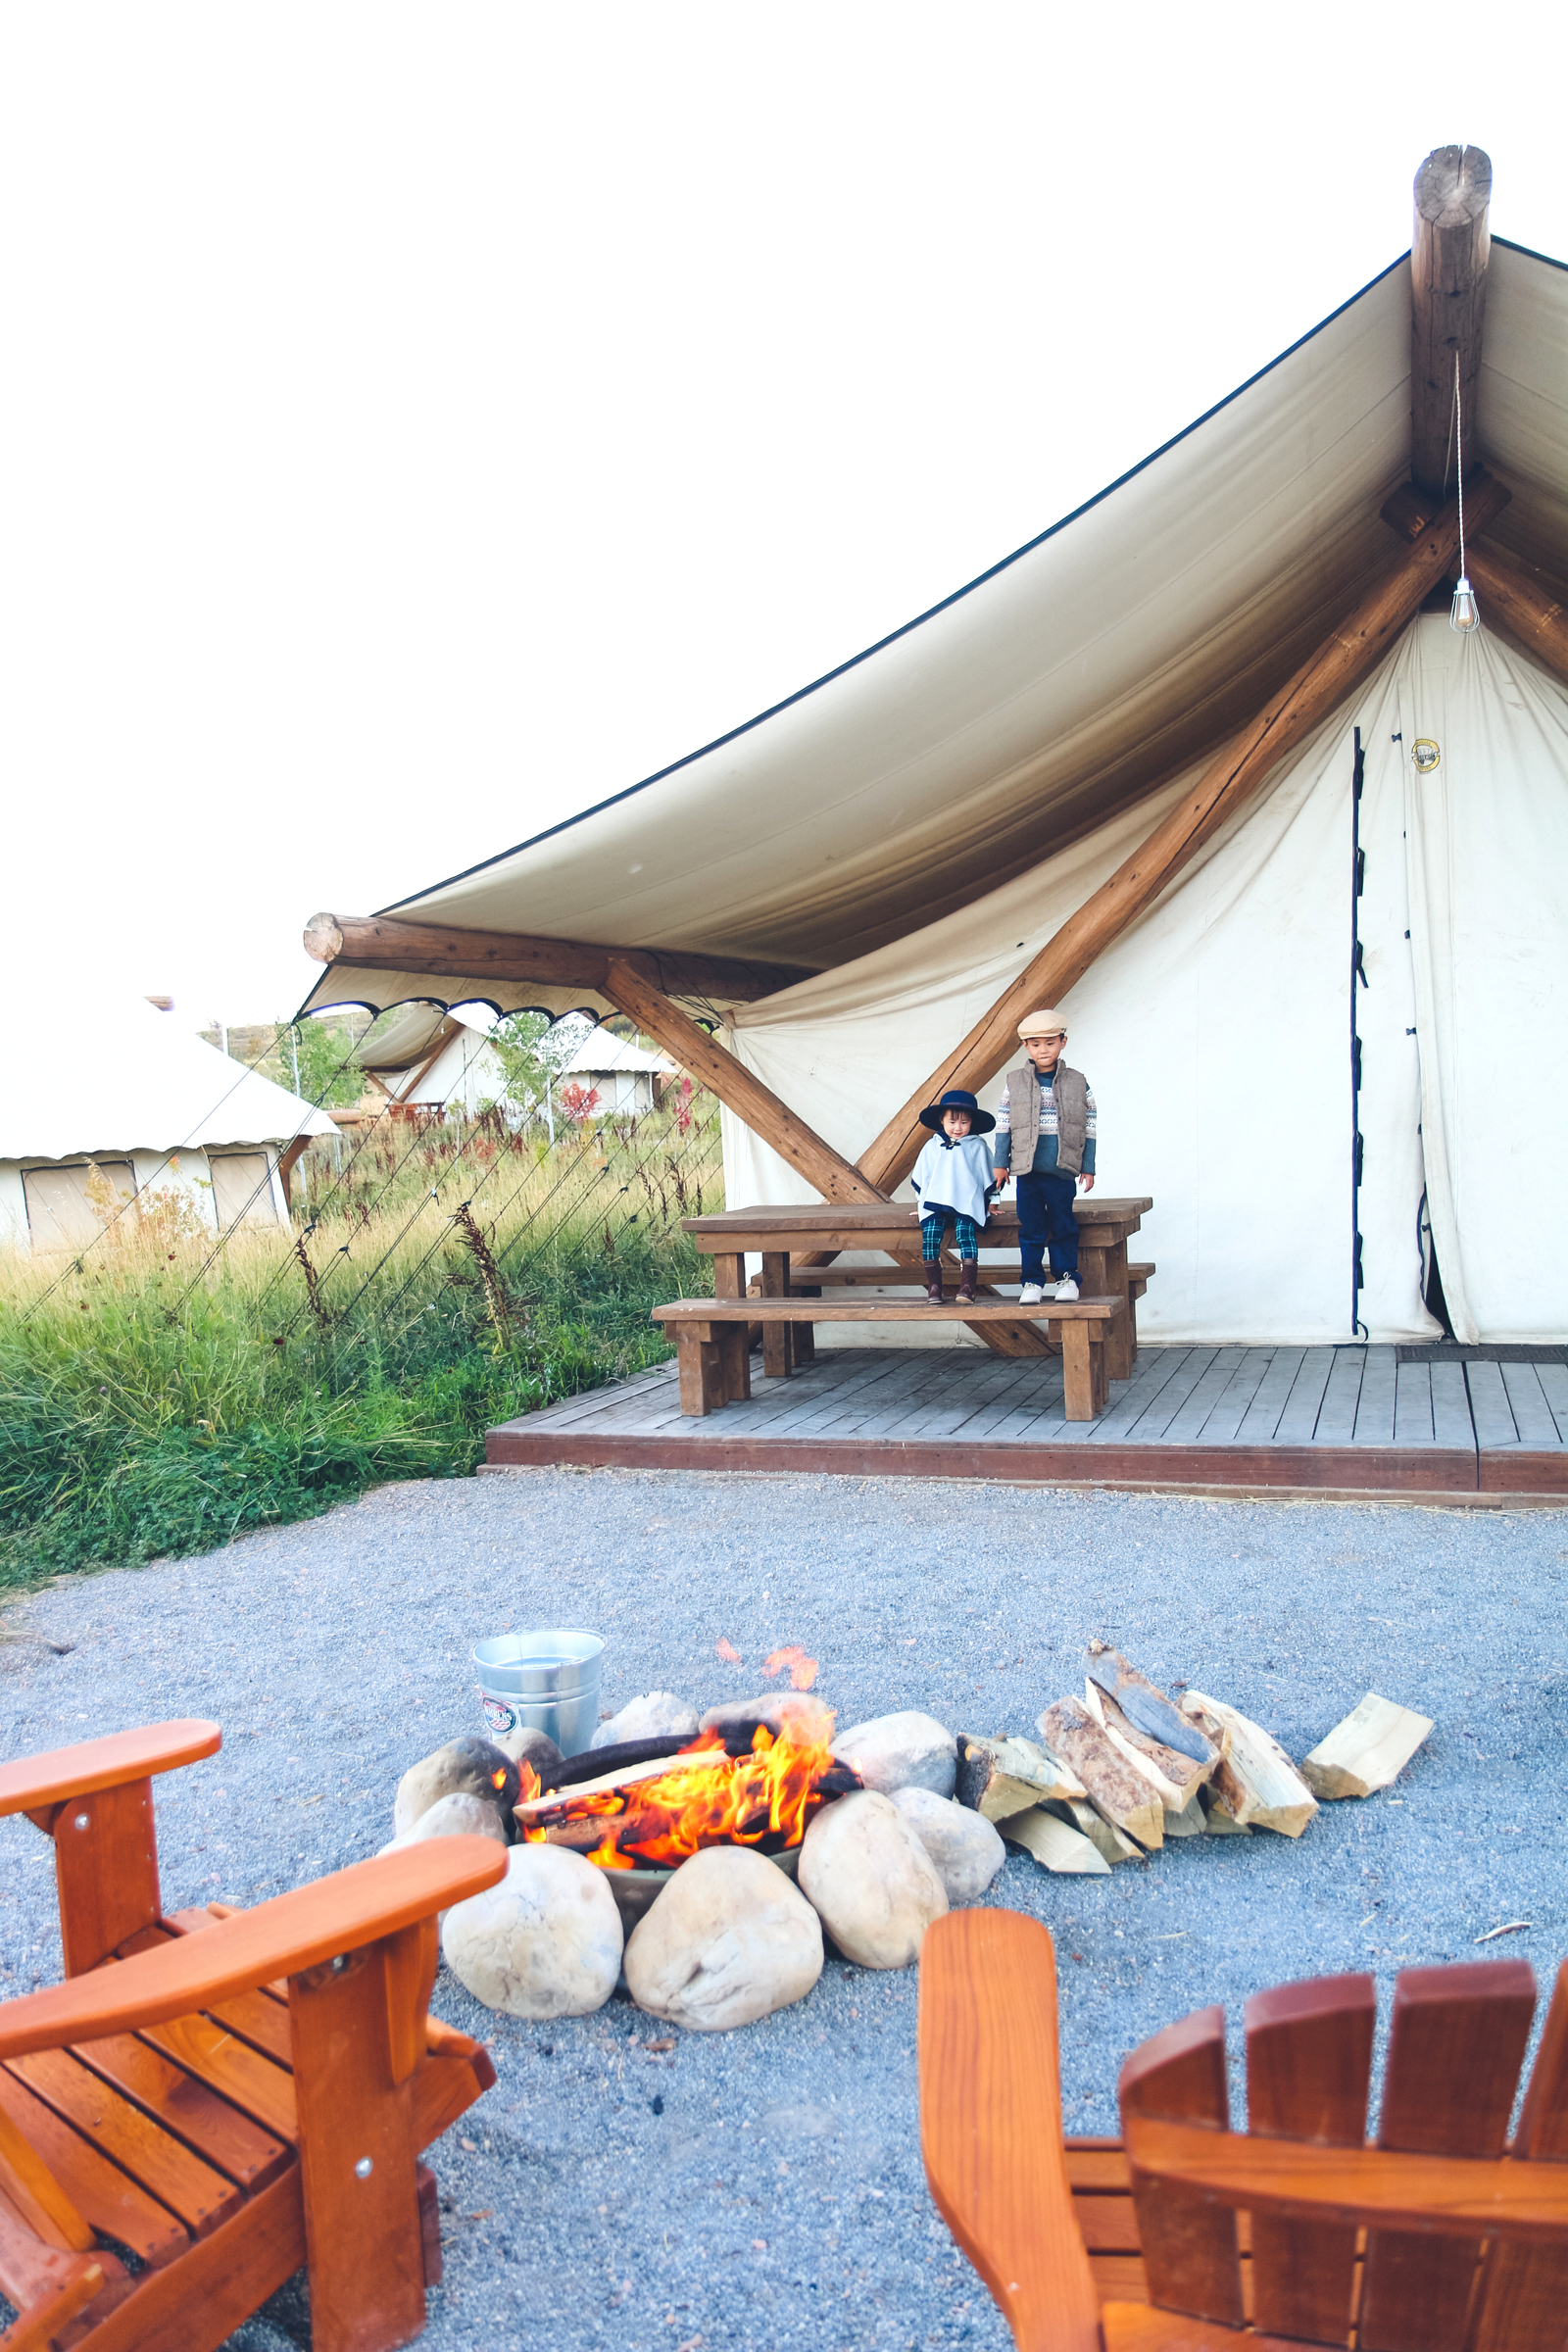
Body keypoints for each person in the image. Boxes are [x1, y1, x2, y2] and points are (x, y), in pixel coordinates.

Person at [990, 1010, 1096, 1304]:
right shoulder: (1014, 1082)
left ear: (1063, 1042)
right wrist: (1000, 1163)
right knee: (1032, 1228)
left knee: (1063, 1225)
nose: (1043, 1049)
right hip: (1027, 1171)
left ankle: (1067, 1279)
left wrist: (1088, 1166)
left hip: (1062, 1169)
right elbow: (1003, 1124)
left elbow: (1090, 1126)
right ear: (1026, 1047)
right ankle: (1032, 1282)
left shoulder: (1078, 1082)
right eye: (1035, 1044)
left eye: (1050, 1042)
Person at [909, 1088, 997, 1304]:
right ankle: (934, 1288)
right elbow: (924, 1175)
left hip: (966, 1202)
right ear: (942, 1120)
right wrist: (921, 1203)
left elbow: (989, 1174)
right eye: (952, 1122)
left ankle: (967, 1287)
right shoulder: (932, 1146)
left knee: (965, 1234)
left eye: (964, 1122)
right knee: (930, 1237)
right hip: (936, 1202)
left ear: (972, 1123)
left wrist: (992, 1203)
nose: (958, 1128)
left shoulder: (978, 1146)